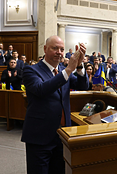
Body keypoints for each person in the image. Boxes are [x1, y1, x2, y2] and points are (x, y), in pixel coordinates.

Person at [21, 35, 88, 174]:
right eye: (55, 48)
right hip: (40, 136)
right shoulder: (31, 70)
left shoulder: (63, 70)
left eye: (62, 49)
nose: (59, 52)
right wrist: (69, 70)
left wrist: (80, 65)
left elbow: (83, 86)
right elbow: (40, 90)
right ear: (45, 49)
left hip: (62, 135)